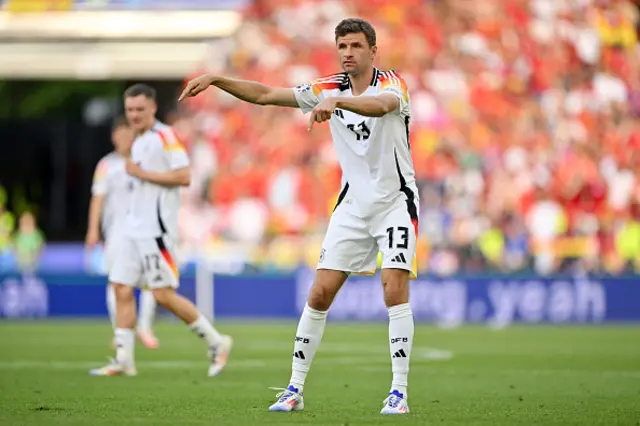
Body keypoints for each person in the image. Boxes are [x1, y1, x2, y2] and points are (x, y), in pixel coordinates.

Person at [180, 18, 417, 415]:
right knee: (320, 292)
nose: (348, 53)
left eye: (356, 46)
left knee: (394, 288)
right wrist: (218, 78)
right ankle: (294, 388)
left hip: (396, 202)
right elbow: (266, 94)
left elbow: (383, 106)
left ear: (373, 51)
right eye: (342, 46)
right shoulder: (328, 87)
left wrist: (337, 103)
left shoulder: (392, 83)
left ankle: (398, 392)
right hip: (352, 206)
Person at [90, 84, 232, 377]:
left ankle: (217, 341)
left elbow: (184, 175)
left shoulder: (164, 137)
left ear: (153, 108)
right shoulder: (139, 141)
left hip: (156, 232)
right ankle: (124, 358)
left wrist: (143, 174)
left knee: (163, 294)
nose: (134, 115)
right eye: (130, 110)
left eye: (140, 109)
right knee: (120, 287)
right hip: (131, 228)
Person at [86, 117, 160, 349]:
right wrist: (93, 229)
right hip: (117, 233)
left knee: (151, 281)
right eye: (121, 135)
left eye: (129, 135)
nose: (126, 139)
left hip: (145, 231)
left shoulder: (146, 163)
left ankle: (144, 328)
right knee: (116, 281)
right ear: (113, 138)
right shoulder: (106, 165)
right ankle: (120, 330)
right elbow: (98, 198)